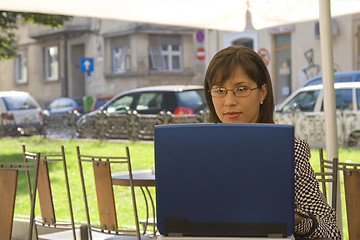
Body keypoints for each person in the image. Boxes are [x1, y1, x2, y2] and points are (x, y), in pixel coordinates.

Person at [203, 45, 341, 240]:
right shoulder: (197, 151)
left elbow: (332, 232)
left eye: (241, 89)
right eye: (219, 90)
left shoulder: (289, 151)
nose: (229, 101)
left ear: (262, 92)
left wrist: (296, 220)